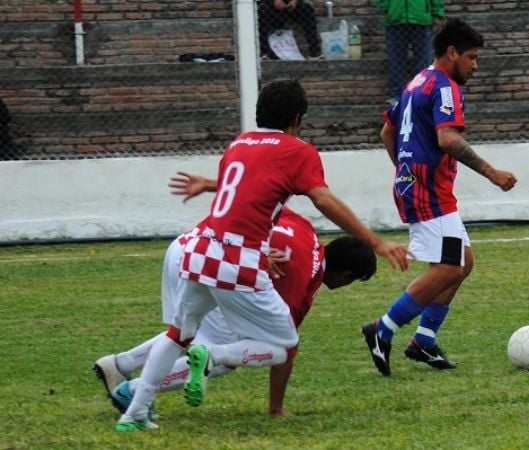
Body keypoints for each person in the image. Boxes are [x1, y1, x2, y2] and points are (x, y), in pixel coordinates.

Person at [114, 79, 409, 431]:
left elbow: (243, 189)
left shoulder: (240, 143)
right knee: (284, 344)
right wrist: (376, 241)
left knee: (177, 334)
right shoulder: (298, 151)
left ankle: (134, 413)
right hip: (239, 260)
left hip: (201, 248)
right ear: (297, 118)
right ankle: (213, 356)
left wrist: (206, 184)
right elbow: (323, 200)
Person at [94, 202, 377, 418]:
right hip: (219, 263)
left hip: (190, 246)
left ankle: (120, 365)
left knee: (186, 332)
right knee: (222, 356)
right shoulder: (302, 288)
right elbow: (284, 351)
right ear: (347, 275)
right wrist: (276, 409)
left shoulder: (303, 226)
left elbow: (261, 204)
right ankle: (133, 391)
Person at [361, 18, 517, 376]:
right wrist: (492, 173)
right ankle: (381, 329)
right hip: (428, 190)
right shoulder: (445, 87)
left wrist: (403, 167)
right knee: (448, 267)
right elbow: (448, 139)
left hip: (420, 186)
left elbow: (387, 132)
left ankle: (424, 342)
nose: (475, 66)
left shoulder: (418, 81)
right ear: (452, 53)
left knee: (463, 261)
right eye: (472, 57)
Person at [375, 0, 445, 105]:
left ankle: (422, 95)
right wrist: (388, 8)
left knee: (423, 62)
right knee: (396, 61)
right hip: (396, 20)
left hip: (420, 19)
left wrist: (437, 13)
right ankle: (397, 97)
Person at [259, 0, 323, 60]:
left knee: (307, 8)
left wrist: (295, 1)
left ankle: (314, 51)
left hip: (292, 6)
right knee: (263, 9)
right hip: (271, 6)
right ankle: (265, 52)